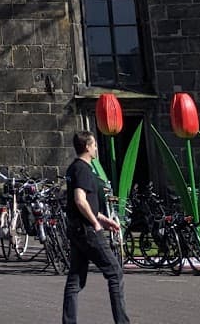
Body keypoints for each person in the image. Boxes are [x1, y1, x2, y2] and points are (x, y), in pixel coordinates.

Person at [62, 131, 130, 324]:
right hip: (87, 231)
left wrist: (104, 219)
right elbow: (80, 200)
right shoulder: (83, 169)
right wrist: (95, 223)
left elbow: (85, 204)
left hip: (76, 230)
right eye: (94, 145)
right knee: (115, 273)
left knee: (75, 279)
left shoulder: (73, 168)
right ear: (87, 147)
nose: (96, 148)